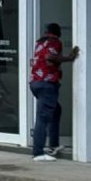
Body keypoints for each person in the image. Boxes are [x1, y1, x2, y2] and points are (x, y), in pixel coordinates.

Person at [30, 22, 79, 161]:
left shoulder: (40, 42)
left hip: (35, 82)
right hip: (47, 83)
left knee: (56, 110)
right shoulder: (55, 41)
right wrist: (69, 58)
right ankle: (38, 153)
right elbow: (50, 57)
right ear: (57, 32)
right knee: (42, 117)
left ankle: (53, 145)